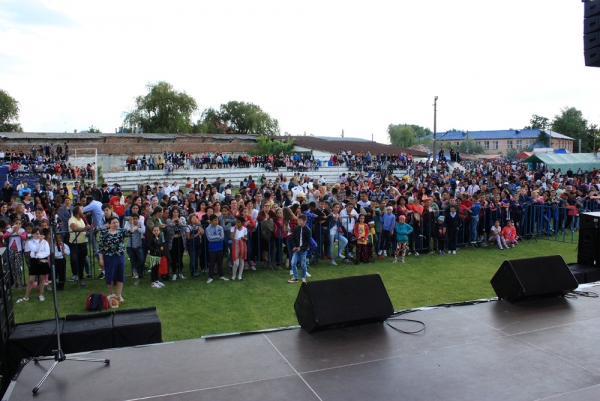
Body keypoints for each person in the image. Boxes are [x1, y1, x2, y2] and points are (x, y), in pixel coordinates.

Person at [98, 216, 133, 303]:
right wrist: (101, 259)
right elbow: (101, 248)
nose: (116, 224)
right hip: (108, 257)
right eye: (113, 222)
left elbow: (130, 232)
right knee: (110, 276)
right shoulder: (104, 233)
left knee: (120, 275)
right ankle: (111, 294)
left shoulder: (121, 232)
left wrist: (131, 223)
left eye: (117, 222)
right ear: (109, 224)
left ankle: (119, 295)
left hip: (119, 256)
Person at [17, 227, 50, 303]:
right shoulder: (30, 241)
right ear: (32, 234)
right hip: (34, 261)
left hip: (42, 260)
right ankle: (26, 296)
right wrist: (39, 243)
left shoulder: (45, 242)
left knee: (42, 279)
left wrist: (39, 255)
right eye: (35, 234)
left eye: (38, 233)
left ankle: (41, 294)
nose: (37, 235)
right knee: (31, 280)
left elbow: (47, 252)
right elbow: (35, 249)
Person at [68, 206, 90, 287]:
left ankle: (80, 279)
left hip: (83, 243)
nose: (83, 211)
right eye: (82, 209)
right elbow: (74, 228)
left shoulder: (82, 219)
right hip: (75, 244)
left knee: (82, 262)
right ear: (78, 212)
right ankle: (75, 275)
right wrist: (84, 228)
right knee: (74, 260)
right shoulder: (72, 219)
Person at [3, 218, 27, 288]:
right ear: (13, 224)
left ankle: (19, 282)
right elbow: (4, 236)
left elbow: (24, 237)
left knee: (18, 266)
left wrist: (18, 232)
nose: (18, 225)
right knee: (12, 266)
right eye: (16, 223)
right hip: (11, 250)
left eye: (19, 224)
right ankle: (14, 281)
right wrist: (13, 232)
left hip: (18, 250)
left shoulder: (22, 230)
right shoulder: (9, 230)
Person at [205, 214, 229, 283]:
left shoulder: (220, 228)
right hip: (212, 248)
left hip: (220, 247)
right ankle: (210, 277)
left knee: (220, 262)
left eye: (217, 220)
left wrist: (215, 237)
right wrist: (218, 236)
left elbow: (222, 237)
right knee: (212, 263)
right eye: (215, 220)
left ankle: (221, 275)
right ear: (211, 221)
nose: (217, 221)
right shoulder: (207, 229)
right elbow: (209, 239)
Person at [289, 214, 310, 283]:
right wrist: (295, 246)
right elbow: (293, 238)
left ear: (305, 221)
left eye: (300, 220)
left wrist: (301, 248)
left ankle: (303, 277)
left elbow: (307, 241)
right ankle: (295, 277)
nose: (298, 222)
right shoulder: (296, 228)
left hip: (303, 250)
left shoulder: (307, 230)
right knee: (293, 262)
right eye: (298, 220)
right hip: (296, 249)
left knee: (303, 264)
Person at [124, 213, 146, 283]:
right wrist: (136, 227)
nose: (135, 220)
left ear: (138, 219)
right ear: (131, 219)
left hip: (138, 245)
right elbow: (129, 231)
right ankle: (136, 278)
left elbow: (143, 231)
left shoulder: (140, 223)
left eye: (136, 219)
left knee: (141, 259)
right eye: (133, 219)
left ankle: (135, 269)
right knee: (133, 262)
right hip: (130, 246)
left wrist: (136, 228)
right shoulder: (128, 223)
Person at [230, 216, 248, 281]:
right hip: (235, 244)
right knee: (236, 262)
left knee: (242, 260)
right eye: (236, 222)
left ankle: (240, 275)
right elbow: (232, 237)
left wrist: (244, 238)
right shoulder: (233, 228)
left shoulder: (244, 229)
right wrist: (235, 229)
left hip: (242, 244)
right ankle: (234, 275)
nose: (237, 223)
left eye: (239, 222)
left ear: (242, 223)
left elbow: (246, 238)